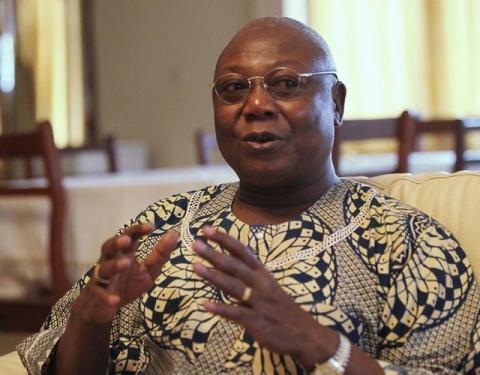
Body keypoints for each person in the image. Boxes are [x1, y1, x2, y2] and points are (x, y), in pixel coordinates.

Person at [17, 17, 480, 375]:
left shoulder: (408, 242)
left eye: (285, 83)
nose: (256, 105)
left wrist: (321, 345)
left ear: (336, 103)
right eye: (234, 88)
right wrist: (90, 320)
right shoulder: (162, 228)